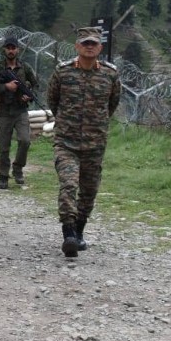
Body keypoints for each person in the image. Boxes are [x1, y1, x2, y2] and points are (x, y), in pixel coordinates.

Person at [47, 27, 121, 258]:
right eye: (85, 43)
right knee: (69, 185)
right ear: (77, 46)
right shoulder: (63, 72)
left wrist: (95, 126)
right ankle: (68, 233)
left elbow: (112, 104)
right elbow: (53, 101)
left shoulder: (110, 74)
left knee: (89, 191)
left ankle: (79, 230)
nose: (89, 47)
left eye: (93, 43)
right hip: (66, 142)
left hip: (94, 144)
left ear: (100, 47)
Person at [0, 36, 39, 189]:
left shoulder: (25, 67)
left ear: (18, 50)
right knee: (4, 147)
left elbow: (36, 84)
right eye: (8, 48)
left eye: (13, 48)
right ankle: (3, 176)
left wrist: (29, 95)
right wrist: (5, 87)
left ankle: (18, 169)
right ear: (4, 49)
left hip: (21, 111)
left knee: (25, 141)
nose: (11, 51)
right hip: (4, 112)